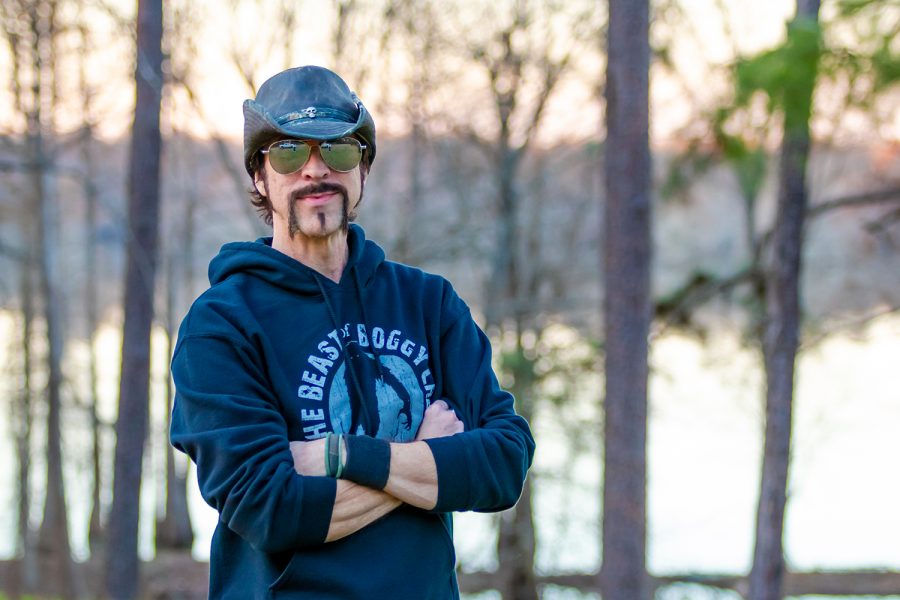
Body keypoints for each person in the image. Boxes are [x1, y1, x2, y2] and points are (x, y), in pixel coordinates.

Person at [170, 65, 535, 599]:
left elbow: (504, 462)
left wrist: (342, 456)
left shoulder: (428, 304)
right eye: (290, 153)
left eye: (337, 150)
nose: (315, 171)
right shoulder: (221, 324)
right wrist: (421, 456)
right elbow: (268, 508)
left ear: (362, 167)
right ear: (259, 177)